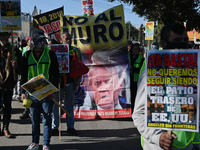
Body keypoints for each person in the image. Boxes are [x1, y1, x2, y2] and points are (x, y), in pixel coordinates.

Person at [132, 22, 200, 150]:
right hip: (157, 146)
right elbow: (139, 113)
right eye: (177, 40)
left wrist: (196, 143)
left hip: (186, 145)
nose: (184, 44)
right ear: (163, 44)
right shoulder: (151, 71)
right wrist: (157, 137)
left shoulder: (192, 72)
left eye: (186, 40)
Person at [20, 29, 59, 150]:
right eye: (40, 40)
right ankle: (35, 143)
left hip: (47, 93)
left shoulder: (51, 54)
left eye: (44, 40)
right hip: (32, 93)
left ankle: (46, 144)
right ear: (34, 41)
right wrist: (22, 92)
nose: (42, 42)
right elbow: (24, 75)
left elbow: (55, 74)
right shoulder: (26, 55)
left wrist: (52, 91)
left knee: (47, 120)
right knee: (35, 120)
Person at [51, 32, 81, 136]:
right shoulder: (55, 50)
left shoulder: (75, 50)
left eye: (70, 39)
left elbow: (79, 67)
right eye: (66, 39)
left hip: (70, 82)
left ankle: (70, 126)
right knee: (56, 106)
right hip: (58, 83)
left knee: (69, 105)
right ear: (62, 39)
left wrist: (77, 83)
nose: (68, 41)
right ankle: (54, 127)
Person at [0, 32, 22, 138]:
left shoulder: (14, 50)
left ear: (9, 37)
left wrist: (16, 65)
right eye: (2, 35)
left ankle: (5, 128)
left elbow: (21, 66)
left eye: (6, 35)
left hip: (8, 83)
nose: (4, 38)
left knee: (7, 107)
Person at [129, 43, 145, 112]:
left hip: (136, 82)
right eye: (134, 49)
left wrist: (133, 69)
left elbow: (142, 70)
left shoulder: (141, 60)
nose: (135, 51)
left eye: (136, 49)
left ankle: (134, 111)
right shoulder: (127, 58)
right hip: (127, 82)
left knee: (135, 97)